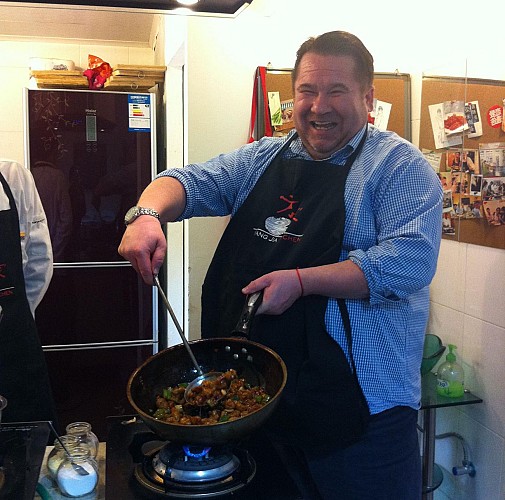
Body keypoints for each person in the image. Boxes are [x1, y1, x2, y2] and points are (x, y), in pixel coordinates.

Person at [119, 31, 443, 499]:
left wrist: (302, 281)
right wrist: (147, 216)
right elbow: (185, 181)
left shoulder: (398, 168)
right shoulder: (265, 156)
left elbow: (407, 263)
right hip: (265, 407)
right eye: (308, 91)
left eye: (336, 91)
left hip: (363, 413)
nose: (319, 106)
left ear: (368, 97)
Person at [0, 159, 58, 425]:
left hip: (12, 340)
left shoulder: (13, 177)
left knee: (29, 434)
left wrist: (19, 315)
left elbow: (38, 260)